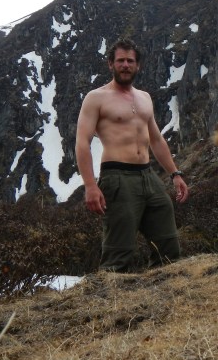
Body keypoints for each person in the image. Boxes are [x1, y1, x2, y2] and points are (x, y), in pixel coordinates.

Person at [75, 37, 189, 272]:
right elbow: (82, 143)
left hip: (147, 175)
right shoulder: (96, 98)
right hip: (116, 176)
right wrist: (90, 185)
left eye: (130, 61)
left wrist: (175, 173)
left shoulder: (144, 97)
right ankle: (111, 299)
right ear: (110, 64)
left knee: (167, 243)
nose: (125, 65)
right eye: (120, 61)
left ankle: (165, 289)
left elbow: (156, 139)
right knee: (119, 251)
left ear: (138, 65)